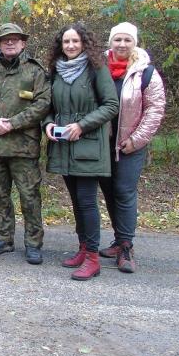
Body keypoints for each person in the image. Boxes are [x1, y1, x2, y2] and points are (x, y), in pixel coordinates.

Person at [0, 23, 51, 265]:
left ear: (23, 43)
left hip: (23, 147)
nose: (9, 43)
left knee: (29, 196)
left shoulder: (34, 71)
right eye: (5, 40)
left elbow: (43, 103)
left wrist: (13, 123)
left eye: (14, 39)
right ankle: (3, 238)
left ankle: (34, 243)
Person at [44, 23, 118, 281]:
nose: (71, 46)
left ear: (84, 43)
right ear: (60, 45)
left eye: (75, 41)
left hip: (89, 146)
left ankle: (93, 259)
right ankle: (83, 248)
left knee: (87, 202)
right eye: (66, 42)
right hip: (63, 146)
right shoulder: (56, 71)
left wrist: (82, 125)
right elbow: (49, 105)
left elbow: (111, 105)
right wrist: (49, 123)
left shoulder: (97, 69)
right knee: (75, 201)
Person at [98, 22, 165, 273]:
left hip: (129, 145)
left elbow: (155, 110)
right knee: (108, 191)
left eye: (127, 40)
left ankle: (126, 247)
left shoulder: (145, 72)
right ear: (110, 42)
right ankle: (118, 240)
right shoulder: (98, 66)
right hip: (101, 144)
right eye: (118, 40)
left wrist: (136, 140)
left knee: (124, 192)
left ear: (134, 43)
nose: (122, 44)